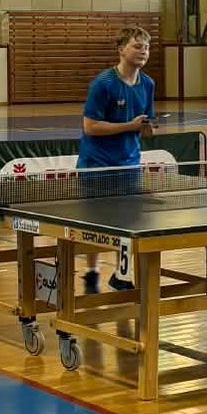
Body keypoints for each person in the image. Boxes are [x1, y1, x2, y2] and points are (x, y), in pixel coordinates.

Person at [77, 26, 156, 292]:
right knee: (95, 224)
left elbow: (143, 124)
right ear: (121, 49)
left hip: (129, 164)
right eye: (137, 46)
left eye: (146, 47)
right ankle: (91, 272)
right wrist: (129, 126)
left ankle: (121, 275)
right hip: (97, 165)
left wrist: (146, 127)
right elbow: (90, 127)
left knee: (128, 223)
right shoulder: (103, 84)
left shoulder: (148, 84)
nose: (143, 51)